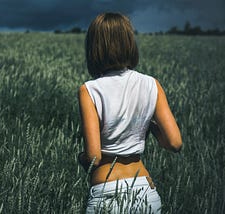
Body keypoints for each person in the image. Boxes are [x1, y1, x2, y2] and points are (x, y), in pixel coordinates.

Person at [78, 12, 182, 213]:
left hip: (105, 193)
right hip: (145, 191)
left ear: (94, 47)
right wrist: (148, 124)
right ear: (129, 42)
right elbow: (175, 143)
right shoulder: (152, 84)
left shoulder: (89, 90)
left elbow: (94, 158)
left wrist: (80, 158)